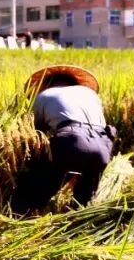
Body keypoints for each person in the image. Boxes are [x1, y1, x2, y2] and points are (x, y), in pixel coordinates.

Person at [13, 65, 115, 213]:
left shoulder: (45, 95)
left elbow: (36, 134)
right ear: (75, 83)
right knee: (85, 195)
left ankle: (28, 210)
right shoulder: (90, 95)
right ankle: (81, 218)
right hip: (102, 146)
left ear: (47, 84)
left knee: (43, 178)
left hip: (70, 141)